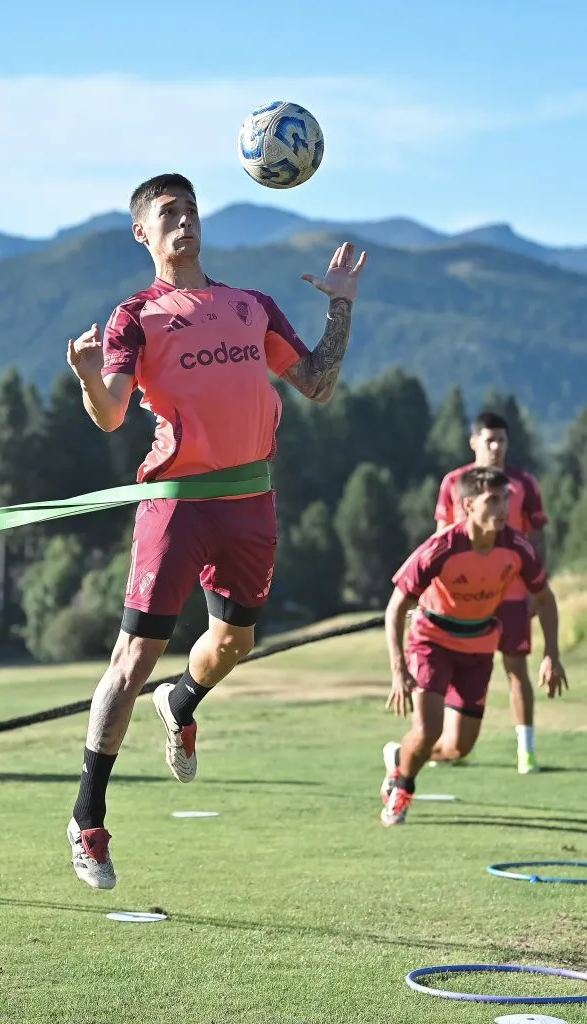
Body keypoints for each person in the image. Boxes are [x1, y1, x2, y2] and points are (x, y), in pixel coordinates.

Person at [64, 172, 367, 888]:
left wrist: (341, 310)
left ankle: (185, 701)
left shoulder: (249, 305)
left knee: (235, 642)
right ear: (143, 233)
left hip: (249, 500)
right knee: (133, 659)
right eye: (168, 213)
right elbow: (111, 414)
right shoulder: (133, 315)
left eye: (192, 209)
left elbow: (318, 384)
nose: (185, 221)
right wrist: (84, 375)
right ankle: (87, 818)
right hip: (177, 504)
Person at [379, 466, 567, 827]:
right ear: (467, 505)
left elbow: (544, 598)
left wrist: (552, 655)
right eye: (493, 500)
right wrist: (398, 667)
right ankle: (401, 791)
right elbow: (397, 605)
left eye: (506, 499)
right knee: (429, 729)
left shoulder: (517, 548)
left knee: (457, 748)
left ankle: (401, 757)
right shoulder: (442, 548)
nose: (503, 508)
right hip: (431, 642)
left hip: (479, 647)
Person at [432, 411, 549, 773]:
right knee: (453, 667)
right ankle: (443, 744)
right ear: (474, 442)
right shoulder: (454, 482)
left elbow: (537, 537)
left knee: (517, 669)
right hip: (462, 599)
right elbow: (439, 538)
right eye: (489, 440)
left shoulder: (524, 484)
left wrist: (536, 586)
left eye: (501, 440)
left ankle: (525, 751)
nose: (496, 447)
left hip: (512, 593)